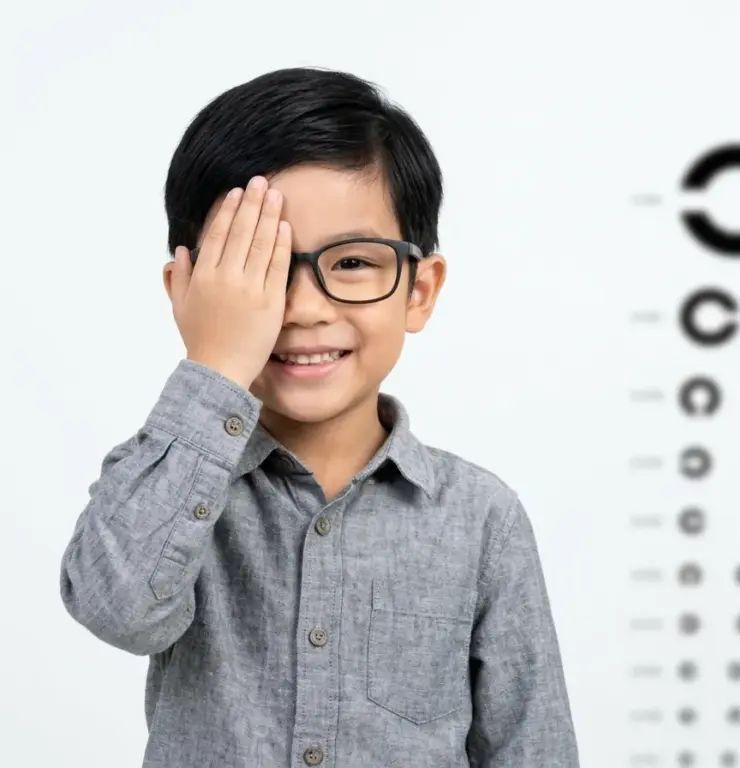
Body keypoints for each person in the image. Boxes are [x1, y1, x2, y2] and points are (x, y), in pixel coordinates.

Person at [59, 66, 578, 768]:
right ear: (186, 290)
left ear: (419, 291)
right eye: (258, 267)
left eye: (355, 262)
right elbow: (117, 609)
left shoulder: (482, 518)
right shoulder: (165, 481)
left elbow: (533, 747)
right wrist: (216, 363)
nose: (304, 308)